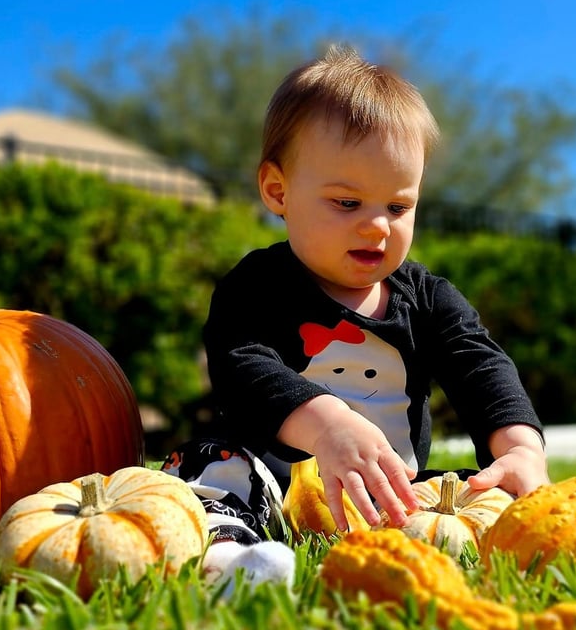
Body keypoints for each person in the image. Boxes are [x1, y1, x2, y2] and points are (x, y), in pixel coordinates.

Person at [165, 44, 550, 538]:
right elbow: (242, 367)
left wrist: (519, 447)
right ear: (278, 191)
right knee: (207, 466)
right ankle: (234, 550)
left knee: (471, 498)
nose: (376, 227)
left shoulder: (428, 298)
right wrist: (328, 425)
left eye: (397, 207)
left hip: (390, 493)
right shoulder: (258, 286)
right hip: (270, 488)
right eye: (347, 202)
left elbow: (481, 366)